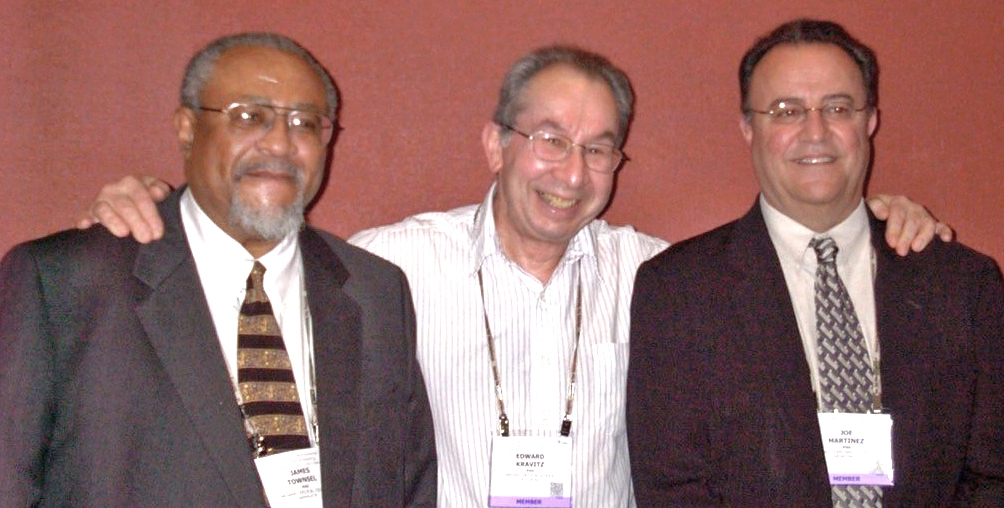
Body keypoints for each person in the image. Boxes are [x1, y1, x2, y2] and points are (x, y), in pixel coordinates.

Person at [75, 46, 949, 507]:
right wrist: (154, 203)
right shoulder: (389, 267)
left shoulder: (659, 277)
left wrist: (880, 224)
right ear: (495, 145)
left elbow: (783, 255)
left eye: (598, 147)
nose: (571, 171)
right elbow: (259, 243)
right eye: (548, 139)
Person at [0, 32, 436, 507]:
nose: (280, 143)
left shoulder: (375, 292)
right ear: (187, 128)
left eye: (305, 123)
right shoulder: (67, 283)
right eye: (250, 117)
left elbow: (409, 487)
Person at [627, 19, 1004, 507]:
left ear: (870, 121)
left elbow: (992, 476)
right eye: (786, 111)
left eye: (838, 107)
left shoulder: (963, 285)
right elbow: (672, 489)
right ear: (747, 126)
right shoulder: (677, 292)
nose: (816, 132)